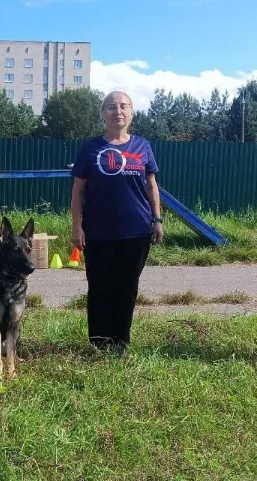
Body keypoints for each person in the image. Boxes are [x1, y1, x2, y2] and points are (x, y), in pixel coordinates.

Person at [71, 91, 164, 350]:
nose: (118, 111)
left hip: (136, 231)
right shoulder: (90, 148)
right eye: (111, 106)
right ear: (103, 114)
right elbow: (78, 191)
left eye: (124, 106)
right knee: (99, 288)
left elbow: (151, 185)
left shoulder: (142, 146)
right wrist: (76, 225)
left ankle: (121, 342)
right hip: (97, 232)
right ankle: (100, 344)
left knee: (126, 289)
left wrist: (157, 219)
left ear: (132, 112)